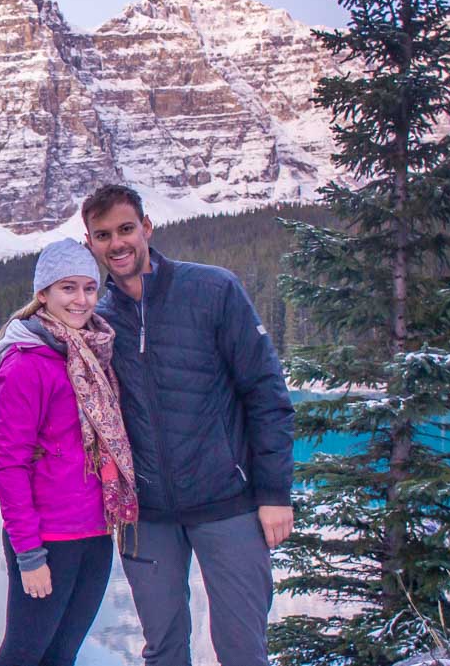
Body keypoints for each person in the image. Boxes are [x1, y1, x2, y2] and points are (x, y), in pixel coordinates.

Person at [81, 184, 296, 666]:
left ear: (147, 228)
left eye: (125, 229)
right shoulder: (96, 320)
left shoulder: (212, 289)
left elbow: (266, 394)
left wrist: (275, 494)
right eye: (103, 235)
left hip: (229, 505)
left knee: (242, 651)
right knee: (164, 650)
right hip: (147, 516)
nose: (117, 243)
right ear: (90, 244)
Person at [0, 238, 138, 666]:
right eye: (67, 288)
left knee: (61, 655)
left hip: (94, 534)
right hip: (49, 540)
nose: (81, 299)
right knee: (22, 654)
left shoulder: (92, 353)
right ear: (43, 295)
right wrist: (29, 554)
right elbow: (8, 466)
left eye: (90, 288)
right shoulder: (26, 363)